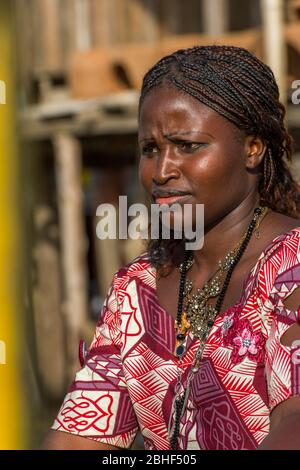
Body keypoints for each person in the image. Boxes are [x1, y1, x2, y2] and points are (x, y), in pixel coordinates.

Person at [43, 45, 300, 450]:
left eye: (188, 145)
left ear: (252, 148)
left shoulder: (290, 267)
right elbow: (79, 438)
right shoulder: (137, 289)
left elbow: (294, 423)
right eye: (150, 150)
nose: (162, 170)